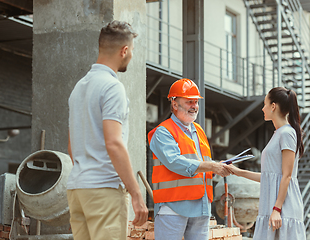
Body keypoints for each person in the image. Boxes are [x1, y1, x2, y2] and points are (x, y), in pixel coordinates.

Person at [67, 20, 148, 240]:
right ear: (124, 50)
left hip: (77, 189)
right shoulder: (112, 87)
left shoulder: (79, 88)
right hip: (103, 190)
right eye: (131, 50)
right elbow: (114, 143)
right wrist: (136, 193)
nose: (131, 55)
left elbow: (72, 146)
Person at [148, 78, 232, 240]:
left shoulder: (199, 131)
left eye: (196, 102)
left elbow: (202, 168)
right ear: (174, 104)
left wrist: (217, 168)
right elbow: (175, 162)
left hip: (201, 207)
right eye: (189, 102)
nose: (194, 106)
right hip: (172, 208)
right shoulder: (163, 132)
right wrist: (210, 166)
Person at [228, 87, 306, 239]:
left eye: (265, 104)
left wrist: (277, 209)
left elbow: (287, 176)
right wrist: (237, 171)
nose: (262, 108)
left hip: (283, 207)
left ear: (273, 106)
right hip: (272, 205)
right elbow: (268, 177)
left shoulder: (287, 133)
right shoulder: (279, 133)